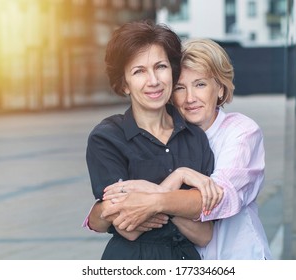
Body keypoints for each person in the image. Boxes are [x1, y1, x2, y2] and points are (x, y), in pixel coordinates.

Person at [94, 38, 272, 260]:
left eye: (200, 84)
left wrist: (150, 197)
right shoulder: (173, 137)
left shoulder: (241, 131)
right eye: (180, 87)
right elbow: (119, 220)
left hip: (237, 257)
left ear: (220, 87)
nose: (190, 98)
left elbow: (218, 199)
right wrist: (101, 213)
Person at [83, 20, 223, 260]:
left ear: (172, 70)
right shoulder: (106, 138)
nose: (154, 81)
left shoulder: (195, 136)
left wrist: (150, 198)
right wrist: (180, 181)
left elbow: (204, 233)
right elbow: (128, 228)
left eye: (160, 67)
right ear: (124, 84)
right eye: (139, 71)